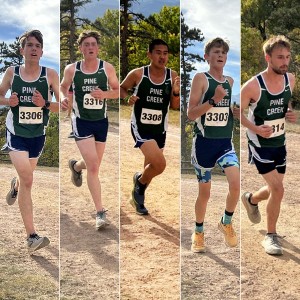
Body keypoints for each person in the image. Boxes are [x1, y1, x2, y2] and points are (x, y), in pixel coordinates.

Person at [0, 29, 59, 254]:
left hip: (38, 135)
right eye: (29, 45)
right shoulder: (12, 73)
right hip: (16, 133)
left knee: (24, 179)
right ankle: (31, 237)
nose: (33, 49)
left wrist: (44, 103)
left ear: (42, 51)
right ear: (22, 50)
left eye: (37, 46)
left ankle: (14, 184)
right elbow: (0, 96)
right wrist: (8, 100)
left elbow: (62, 106)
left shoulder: (50, 75)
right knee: (29, 179)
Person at [241, 35, 297, 255]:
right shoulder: (253, 86)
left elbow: (285, 102)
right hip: (260, 143)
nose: (285, 61)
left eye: (287, 57)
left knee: (276, 189)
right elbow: (236, 113)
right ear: (268, 58)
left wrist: (289, 111)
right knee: (278, 188)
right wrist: (255, 129)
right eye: (280, 57)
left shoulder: (290, 79)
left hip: (279, 141)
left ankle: (251, 199)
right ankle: (270, 236)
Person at [60, 30, 119, 229]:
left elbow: (118, 91)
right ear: (81, 48)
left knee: (93, 164)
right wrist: (63, 98)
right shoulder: (72, 69)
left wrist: (104, 94)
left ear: (98, 47)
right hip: (81, 120)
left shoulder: (107, 68)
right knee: (94, 167)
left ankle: (76, 167)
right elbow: (62, 87)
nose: (90, 47)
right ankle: (100, 212)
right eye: (86, 44)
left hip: (101, 121)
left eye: (93, 44)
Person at [187, 37, 240, 253]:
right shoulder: (201, 78)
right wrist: (213, 101)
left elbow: (224, 111)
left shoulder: (229, 81)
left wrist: (234, 113)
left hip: (225, 143)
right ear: (206, 56)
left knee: (236, 184)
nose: (221, 55)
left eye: (224, 52)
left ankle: (226, 222)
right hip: (203, 146)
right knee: (205, 193)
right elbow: (191, 114)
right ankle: (198, 232)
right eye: (216, 52)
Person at [120, 39, 180, 215]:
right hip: (141, 126)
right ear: (149, 55)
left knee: (150, 169)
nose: (162, 56)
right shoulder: (138, 74)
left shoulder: (172, 75)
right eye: (158, 52)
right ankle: (138, 184)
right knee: (159, 164)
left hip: (160, 129)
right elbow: (122, 88)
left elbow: (175, 106)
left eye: (165, 53)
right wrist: (126, 98)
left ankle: (138, 196)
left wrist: (176, 92)